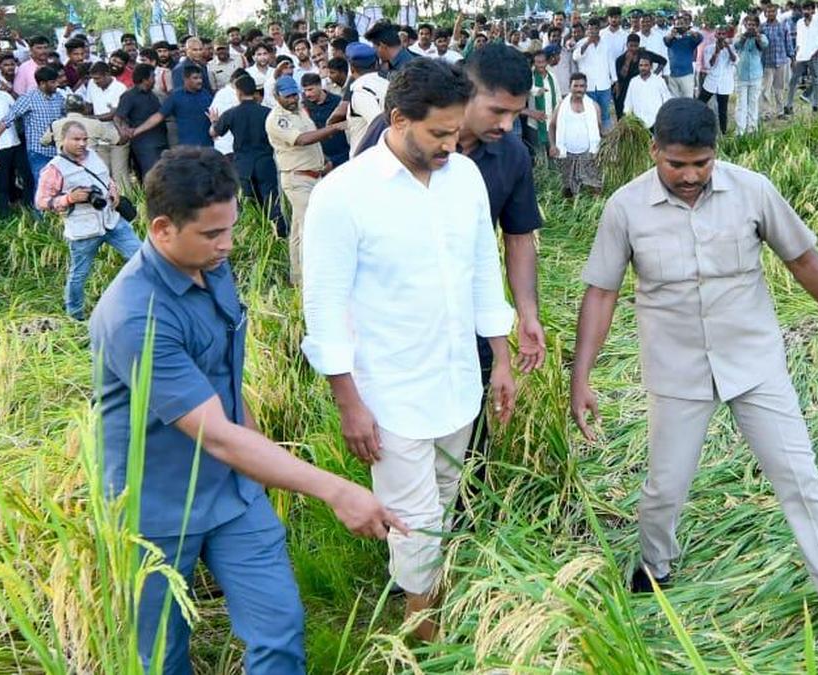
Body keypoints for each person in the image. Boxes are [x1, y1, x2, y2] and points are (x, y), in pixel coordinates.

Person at [570, 98, 818, 663]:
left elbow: (802, 259)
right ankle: (655, 568)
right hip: (677, 369)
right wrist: (580, 377)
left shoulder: (752, 191)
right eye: (676, 165)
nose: (689, 177)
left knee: (800, 477)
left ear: (717, 153)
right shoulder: (625, 208)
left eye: (701, 164)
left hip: (754, 364)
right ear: (654, 149)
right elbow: (601, 292)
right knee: (665, 488)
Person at [89, 146, 402, 674]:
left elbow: (226, 380)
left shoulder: (212, 266)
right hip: (156, 510)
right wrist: (335, 488)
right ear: (163, 229)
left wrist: (258, 471)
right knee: (160, 655)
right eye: (212, 234)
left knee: (279, 631)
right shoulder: (134, 316)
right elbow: (217, 435)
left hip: (234, 492)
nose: (227, 245)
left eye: (230, 229)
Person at [302, 58, 517, 643]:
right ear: (397, 119)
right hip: (388, 392)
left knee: (441, 505)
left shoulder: (465, 179)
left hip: (455, 383)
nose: (452, 144)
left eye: (455, 132)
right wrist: (349, 402)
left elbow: (482, 271)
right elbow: (323, 307)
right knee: (417, 522)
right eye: (438, 134)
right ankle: (422, 634)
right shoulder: (343, 194)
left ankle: (425, 600)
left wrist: (500, 359)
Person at [351, 42, 547, 501]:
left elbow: (516, 237)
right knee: (404, 439)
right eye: (497, 110)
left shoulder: (512, 155)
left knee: (470, 418)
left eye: (516, 114)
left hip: (468, 310)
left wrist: (527, 313)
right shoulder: (402, 130)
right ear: (466, 91)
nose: (506, 124)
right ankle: (411, 526)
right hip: (400, 320)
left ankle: (462, 520)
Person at [36, 121, 141, 319]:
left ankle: (141, 304)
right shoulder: (54, 169)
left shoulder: (93, 155)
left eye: (84, 139)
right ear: (63, 140)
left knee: (141, 257)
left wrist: (113, 190)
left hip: (111, 220)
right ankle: (74, 315)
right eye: (76, 139)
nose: (82, 143)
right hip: (84, 231)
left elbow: (106, 177)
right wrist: (68, 199)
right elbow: (41, 202)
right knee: (79, 275)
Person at [266, 75, 344, 285]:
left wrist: (324, 159)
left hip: (313, 174)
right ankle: (312, 281)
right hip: (297, 178)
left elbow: (312, 139)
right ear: (276, 96)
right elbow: (302, 140)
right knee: (310, 229)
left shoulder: (300, 110)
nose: (293, 99)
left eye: (295, 94)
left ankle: (298, 278)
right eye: (288, 96)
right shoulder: (276, 118)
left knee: (298, 232)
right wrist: (333, 128)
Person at [211, 74, 285, 237]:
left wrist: (214, 122)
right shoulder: (268, 112)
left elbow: (214, 133)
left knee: (250, 203)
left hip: (243, 165)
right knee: (272, 202)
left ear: (238, 92)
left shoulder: (231, 114)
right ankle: (279, 236)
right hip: (265, 162)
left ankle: (257, 237)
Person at [0, 66, 64, 196]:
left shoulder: (58, 97)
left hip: (57, 150)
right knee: (41, 184)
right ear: (42, 83)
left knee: (58, 184)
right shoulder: (28, 98)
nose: (57, 85)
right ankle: (39, 215)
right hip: (38, 151)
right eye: (53, 82)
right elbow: (8, 119)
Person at [131, 64, 214, 147]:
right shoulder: (176, 97)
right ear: (185, 79)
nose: (199, 81)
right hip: (187, 148)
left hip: (209, 146)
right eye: (195, 78)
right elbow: (158, 116)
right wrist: (136, 131)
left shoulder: (207, 95)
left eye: (200, 78)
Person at [550, 72, 602, 198]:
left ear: (586, 87)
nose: (579, 89)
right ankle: (570, 209)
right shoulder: (561, 106)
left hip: (588, 153)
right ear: (570, 87)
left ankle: (595, 212)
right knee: (567, 189)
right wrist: (552, 145)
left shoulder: (593, 106)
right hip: (567, 153)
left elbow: (600, 129)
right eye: (576, 86)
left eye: (582, 86)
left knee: (595, 185)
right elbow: (552, 126)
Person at [114, 64, 169, 179]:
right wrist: (123, 131)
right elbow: (118, 117)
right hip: (145, 145)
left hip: (161, 140)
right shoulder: (129, 96)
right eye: (153, 76)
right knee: (152, 176)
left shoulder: (153, 94)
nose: (155, 79)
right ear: (145, 80)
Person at [84, 62, 132, 190]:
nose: (95, 81)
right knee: (102, 174)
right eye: (93, 78)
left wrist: (92, 119)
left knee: (119, 175)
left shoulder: (120, 88)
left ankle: (128, 203)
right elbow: (89, 106)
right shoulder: (91, 85)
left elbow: (115, 114)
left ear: (107, 75)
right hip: (99, 137)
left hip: (118, 135)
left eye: (97, 78)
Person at [788, 1, 818, 116]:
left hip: (814, 55)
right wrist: (795, 54)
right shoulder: (799, 23)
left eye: (808, 9)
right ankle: (789, 106)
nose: (806, 12)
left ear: (813, 10)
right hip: (801, 56)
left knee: (815, 80)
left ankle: (815, 106)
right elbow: (799, 39)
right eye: (804, 9)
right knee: (793, 80)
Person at [573, 18, 616, 131]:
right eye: (590, 29)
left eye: (595, 28)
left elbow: (611, 63)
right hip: (588, 86)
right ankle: (592, 138)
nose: (593, 31)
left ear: (599, 29)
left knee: (605, 114)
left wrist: (615, 81)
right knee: (590, 114)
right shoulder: (581, 43)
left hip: (604, 85)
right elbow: (575, 57)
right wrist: (588, 43)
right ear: (587, 29)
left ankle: (605, 140)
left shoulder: (606, 44)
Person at [345, 43, 388, 157]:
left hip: (369, 160)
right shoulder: (388, 85)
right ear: (376, 64)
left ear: (351, 68)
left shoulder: (361, 92)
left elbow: (379, 124)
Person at [0, 79, 24, 214]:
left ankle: (28, 209)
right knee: (1, 185)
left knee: (26, 178)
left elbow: (18, 112)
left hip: (15, 144)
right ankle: (4, 217)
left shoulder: (3, 96)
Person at [302, 73, 349, 168]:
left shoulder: (337, 102)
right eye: (305, 90)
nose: (308, 94)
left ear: (319, 85)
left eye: (310, 89)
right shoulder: (303, 107)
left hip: (342, 154)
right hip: (320, 158)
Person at [615, 34, 668, 119]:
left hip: (643, 86)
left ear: (639, 45)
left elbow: (663, 61)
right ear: (626, 45)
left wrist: (654, 74)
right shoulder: (620, 59)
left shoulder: (644, 54)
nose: (633, 48)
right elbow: (621, 77)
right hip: (625, 88)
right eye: (631, 46)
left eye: (635, 46)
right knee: (623, 112)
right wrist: (627, 61)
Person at [734, 14, 769, 134]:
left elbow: (765, 45)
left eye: (753, 25)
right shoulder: (739, 36)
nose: (751, 27)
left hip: (755, 75)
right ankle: (740, 131)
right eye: (749, 25)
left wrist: (757, 35)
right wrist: (745, 36)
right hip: (741, 75)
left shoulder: (762, 36)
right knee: (741, 104)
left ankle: (752, 130)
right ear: (745, 25)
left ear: (757, 26)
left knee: (753, 103)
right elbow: (736, 45)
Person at [523, 49, 560, 162]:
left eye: (543, 62)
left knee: (553, 153)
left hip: (551, 121)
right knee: (538, 156)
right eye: (537, 62)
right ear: (534, 63)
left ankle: (553, 176)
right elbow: (528, 88)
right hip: (534, 123)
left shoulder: (552, 77)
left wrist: (557, 114)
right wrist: (537, 90)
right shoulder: (530, 76)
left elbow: (558, 97)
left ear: (547, 62)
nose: (541, 65)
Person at [699, 27, 737, 133]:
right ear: (715, 35)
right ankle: (698, 125)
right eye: (719, 34)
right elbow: (708, 65)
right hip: (711, 81)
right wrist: (716, 52)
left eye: (723, 34)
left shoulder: (732, 48)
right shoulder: (709, 48)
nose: (721, 36)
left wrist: (728, 48)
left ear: (726, 35)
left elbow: (735, 60)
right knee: (699, 103)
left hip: (725, 83)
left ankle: (723, 132)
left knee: (723, 110)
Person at [760, 3, 792, 119]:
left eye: (773, 11)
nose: (770, 14)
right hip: (767, 63)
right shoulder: (762, 27)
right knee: (765, 90)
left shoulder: (783, 26)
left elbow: (788, 42)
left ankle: (780, 112)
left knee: (779, 89)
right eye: (768, 12)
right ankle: (766, 113)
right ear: (765, 13)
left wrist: (792, 57)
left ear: (776, 12)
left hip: (781, 61)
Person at [623, 54, 671, 130]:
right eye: (641, 65)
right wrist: (628, 119)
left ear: (651, 67)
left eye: (646, 65)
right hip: (638, 125)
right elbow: (628, 103)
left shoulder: (659, 81)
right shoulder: (633, 82)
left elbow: (667, 101)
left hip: (656, 123)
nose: (643, 68)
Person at [663, 13, 703, 98]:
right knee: (675, 101)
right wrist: (672, 34)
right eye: (677, 24)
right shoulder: (671, 39)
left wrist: (689, 30)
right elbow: (666, 41)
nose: (679, 26)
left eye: (682, 24)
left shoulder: (690, 39)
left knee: (688, 100)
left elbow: (700, 38)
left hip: (686, 74)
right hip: (673, 74)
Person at [208, 69, 243, 159]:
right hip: (229, 143)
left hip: (223, 143)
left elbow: (213, 116)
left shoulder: (220, 94)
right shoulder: (226, 94)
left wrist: (214, 125)